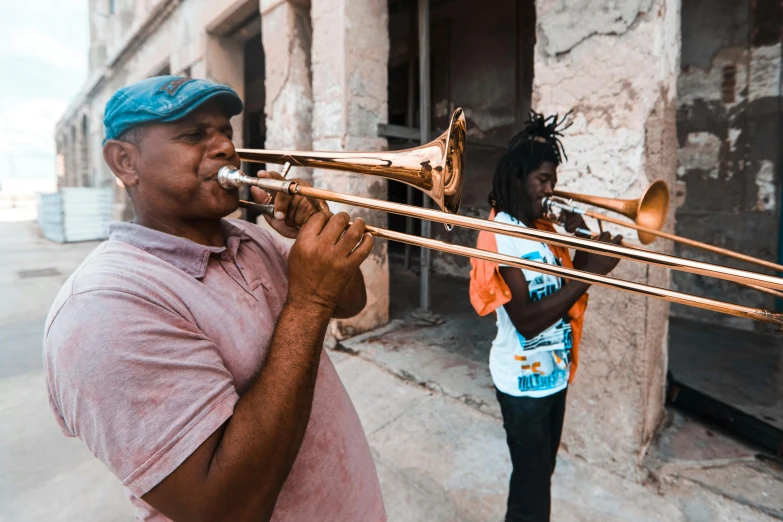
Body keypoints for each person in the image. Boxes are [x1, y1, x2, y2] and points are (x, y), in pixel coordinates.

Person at [43, 76, 386, 522]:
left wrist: (312, 238)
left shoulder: (247, 237)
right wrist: (308, 301)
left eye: (225, 131)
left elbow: (349, 304)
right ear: (125, 162)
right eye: (193, 134)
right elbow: (227, 510)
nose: (225, 146)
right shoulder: (100, 310)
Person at [469, 111, 622, 522]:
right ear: (518, 179)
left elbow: (585, 267)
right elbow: (527, 319)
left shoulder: (545, 228)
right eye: (543, 180)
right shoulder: (498, 235)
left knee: (540, 474)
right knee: (531, 490)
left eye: (552, 179)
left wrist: (583, 233)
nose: (551, 189)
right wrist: (589, 274)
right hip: (520, 386)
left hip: (555, 375)